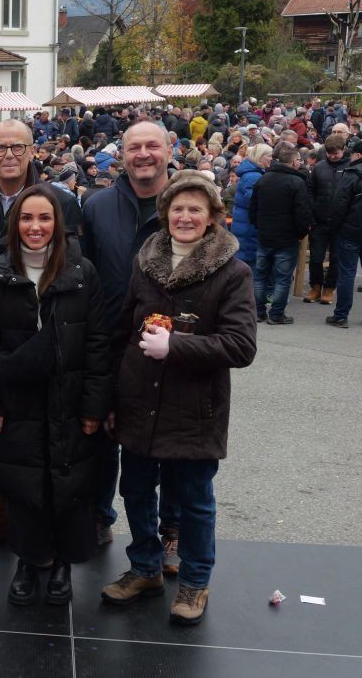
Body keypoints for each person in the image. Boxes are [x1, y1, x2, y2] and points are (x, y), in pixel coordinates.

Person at [101, 170, 257, 626]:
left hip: (193, 409)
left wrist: (178, 347)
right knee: (135, 490)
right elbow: (123, 329)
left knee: (193, 499)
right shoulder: (144, 261)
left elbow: (241, 346)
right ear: (165, 213)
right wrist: (110, 393)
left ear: (212, 219)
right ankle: (145, 567)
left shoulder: (233, 272)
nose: (185, 217)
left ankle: (194, 580)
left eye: (195, 209)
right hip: (137, 401)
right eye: (177, 208)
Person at [0, 184, 110, 606]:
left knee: (68, 483)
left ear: (58, 223)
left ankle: (64, 560)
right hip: (17, 401)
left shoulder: (83, 273)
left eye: (44, 218)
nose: (35, 226)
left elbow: (98, 344)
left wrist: (93, 405)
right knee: (24, 483)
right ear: (15, 223)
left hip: (69, 398)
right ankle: (29, 559)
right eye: (27, 218)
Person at [82, 121, 182, 562]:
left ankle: (174, 529)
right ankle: (98, 517)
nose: (143, 154)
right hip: (107, 342)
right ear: (121, 153)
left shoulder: (187, 204)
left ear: (170, 149)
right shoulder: (98, 205)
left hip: (172, 347)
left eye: (152, 146)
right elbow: (82, 273)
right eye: (134, 147)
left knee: (168, 446)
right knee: (100, 436)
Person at [249, 143, 311, 325]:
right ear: (293, 162)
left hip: (265, 235)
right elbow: (302, 212)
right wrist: (302, 232)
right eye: (299, 159)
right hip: (287, 237)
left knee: (260, 275)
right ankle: (276, 314)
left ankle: (259, 312)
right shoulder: (297, 182)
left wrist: (258, 225)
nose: (300, 162)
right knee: (283, 278)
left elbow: (253, 208)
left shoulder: (264, 179)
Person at [305, 135, 351, 304]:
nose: (332, 156)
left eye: (336, 153)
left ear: (343, 150)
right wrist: (312, 210)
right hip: (319, 220)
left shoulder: (351, 167)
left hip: (342, 222)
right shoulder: (319, 167)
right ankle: (315, 286)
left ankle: (329, 288)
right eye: (329, 153)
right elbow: (310, 190)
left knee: (336, 259)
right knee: (316, 258)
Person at [326, 138, 362, 327]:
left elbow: (339, 204)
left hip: (350, 230)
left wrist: (333, 227)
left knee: (347, 273)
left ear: (358, 155)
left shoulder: (351, 174)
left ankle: (341, 316)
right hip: (352, 228)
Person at [231, 143, 271, 274]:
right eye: (269, 156)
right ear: (260, 157)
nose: (271, 159)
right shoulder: (254, 177)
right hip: (248, 229)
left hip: (245, 226)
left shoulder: (252, 174)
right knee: (248, 269)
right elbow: (254, 204)